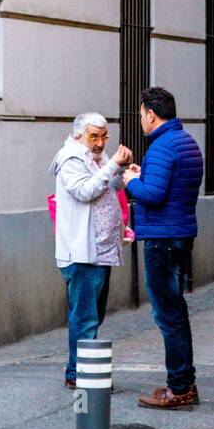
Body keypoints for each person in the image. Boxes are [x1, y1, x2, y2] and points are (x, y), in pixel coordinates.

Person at [124, 86, 204, 409]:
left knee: (167, 313)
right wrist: (147, 178)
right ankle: (184, 381)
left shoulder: (160, 147)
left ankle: (179, 387)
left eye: (141, 114)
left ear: (151, 114)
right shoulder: (186, 142)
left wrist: (132, 182)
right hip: (180, 235)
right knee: (176, 309)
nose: (141, 120)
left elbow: (154, 195)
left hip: (162, 240)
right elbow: (169, 188)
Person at [49, 113, 132, 388]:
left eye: (103, 136)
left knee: (93, 314)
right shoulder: (71, 158)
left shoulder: (97, 156)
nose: (99, 142)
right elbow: (85, 191)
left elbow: (114, 185)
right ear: (77, 136)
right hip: (82, 252)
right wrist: (111, 167)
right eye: (93, 136)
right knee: (85, 316)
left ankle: (84, 370)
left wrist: (124, 169)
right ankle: (79, 374)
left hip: (101, 251)